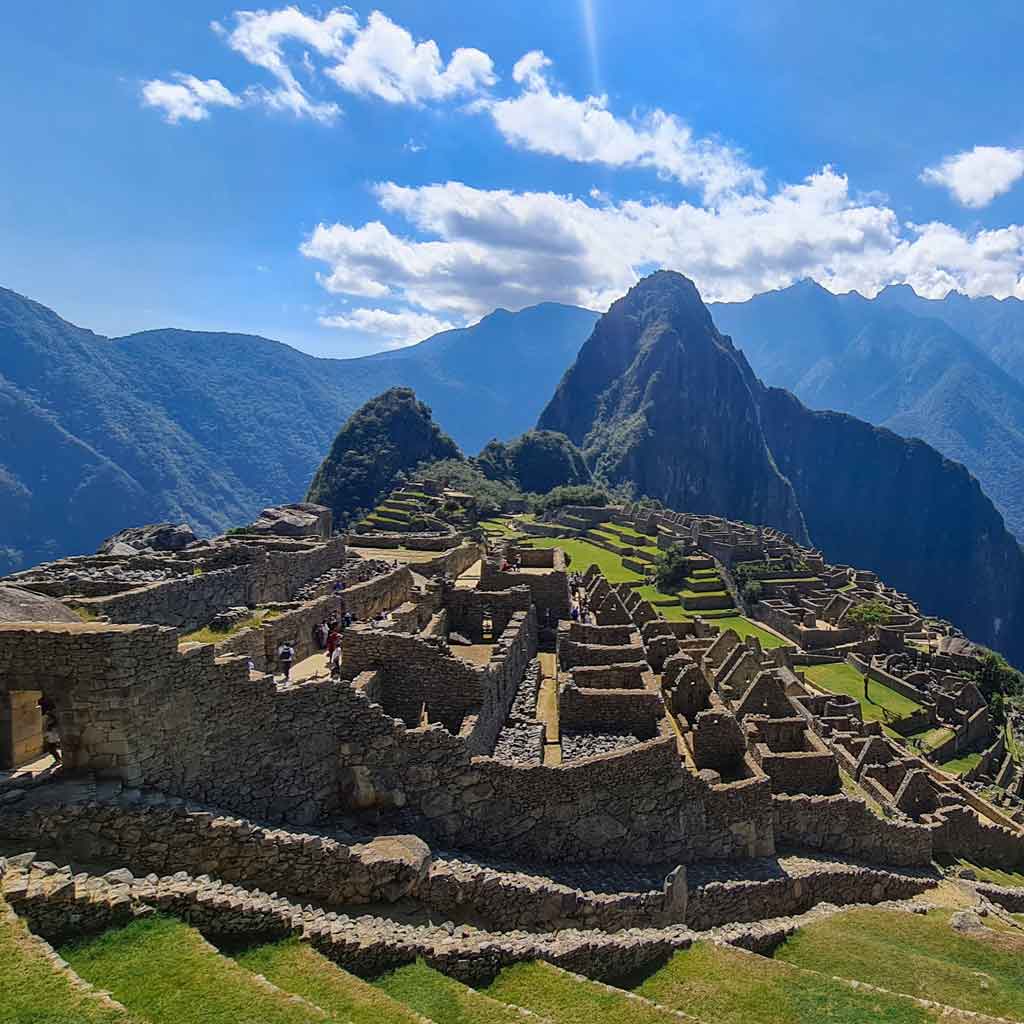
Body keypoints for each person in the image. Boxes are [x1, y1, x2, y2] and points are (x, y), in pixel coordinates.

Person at [39, 698, 62, 765]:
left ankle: (58, 759)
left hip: (51, 733)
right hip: (52, 732)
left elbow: (47, 724)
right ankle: (58, 759)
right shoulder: (52, 715)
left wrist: (45, 732)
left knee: (51, 747)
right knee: (52, 747)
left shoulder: (49, 716)